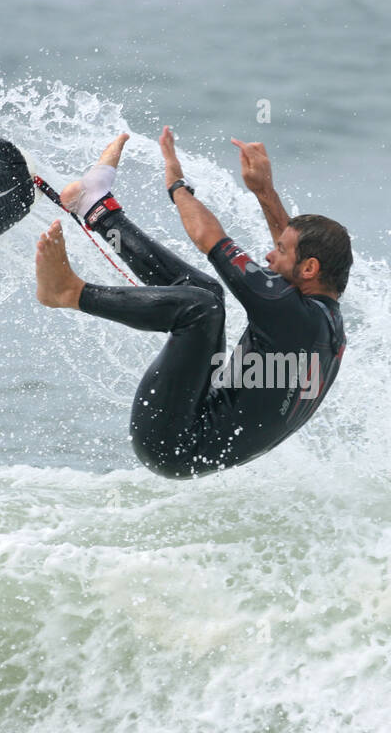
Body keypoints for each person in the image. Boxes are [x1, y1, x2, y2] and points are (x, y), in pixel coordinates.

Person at [34, 128, 350, 478]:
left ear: (310, 269)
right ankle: (95, 207)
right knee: (206, 292)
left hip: (172, 443)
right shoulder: (323, 319)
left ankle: (68, 292)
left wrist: (176, 184)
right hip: (194, 430)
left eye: (280, 251)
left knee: (201, 308)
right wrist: (264, 191)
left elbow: (207, 236)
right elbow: (294, 255)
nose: (268, 256)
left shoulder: (288, 312)